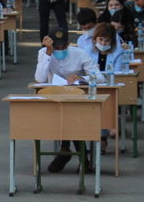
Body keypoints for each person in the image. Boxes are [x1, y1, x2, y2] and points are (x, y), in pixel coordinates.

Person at [35, 28, 104, 173]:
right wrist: (48, 53)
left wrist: (82, 78)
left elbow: (100, 77)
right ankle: (80, 155)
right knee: (66, 116)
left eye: (63, 47)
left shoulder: (79, 53)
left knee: (71, 116)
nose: (60, 50)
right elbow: (39, 78)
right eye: (56, 47)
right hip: (54, 98)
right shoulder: (44, 53)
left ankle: (65, 150)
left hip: (77, 98)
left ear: (69, 43)